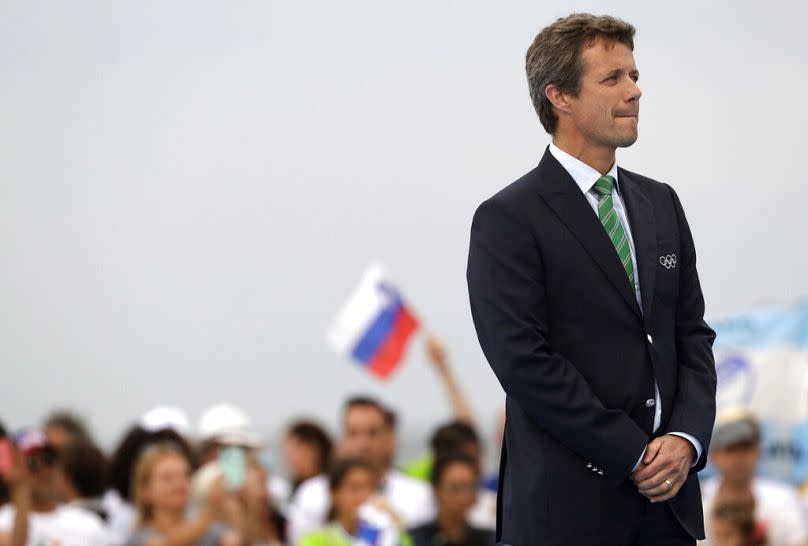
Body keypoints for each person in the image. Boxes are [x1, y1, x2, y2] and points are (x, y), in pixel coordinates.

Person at [466, 12, 717, 545]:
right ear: (560, 97)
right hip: (566, 516)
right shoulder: (508, 218)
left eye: (633, 75)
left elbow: (691, 335)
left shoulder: (661, 203)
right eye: (613, 79)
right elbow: (523, 362)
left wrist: (686, 438)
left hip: (668, 510)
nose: (635, 91)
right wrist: (631, 453)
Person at [287, 397, 434, 544]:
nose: (363, 443)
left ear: (389, 438)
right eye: (353, 433)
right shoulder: (312, 495)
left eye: (372, 433)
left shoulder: (419, 495)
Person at [700, 408, 808, 546]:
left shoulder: (782, 499)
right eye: (730, 449)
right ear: (714, 456)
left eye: (745, 448)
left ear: (758, 451)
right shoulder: (700, 503)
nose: (738, 458)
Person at [0, 429, 110, 546]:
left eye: (49, 460)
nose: (44, 470)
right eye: (33, 462)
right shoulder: (3, 521)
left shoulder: (89, 525)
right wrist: (20, 490)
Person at [126, 441, 245, 546]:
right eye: (167, 478)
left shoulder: (209, 531)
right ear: (145, 490)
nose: (179, 484)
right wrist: (210, 511)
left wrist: (236, 502)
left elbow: (237, 540)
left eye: (185, 475)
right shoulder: (139, 537)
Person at [297, 458, 411, 546]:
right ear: (334, 494)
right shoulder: (316, 541)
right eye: (355, 488)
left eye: (371, 488)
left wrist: (391, 528)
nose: (364, 496)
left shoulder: (391, 533)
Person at [407, 453, 495, 546]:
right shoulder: (413, 539)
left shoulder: (489, 540)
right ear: (436, 489)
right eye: (455, 488)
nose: (463, 496)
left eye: (469, 487)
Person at [284, 421, 333, 498]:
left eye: (295, 451)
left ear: (315, 450)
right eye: (289, 452)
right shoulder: (292, 488)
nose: (291, 459)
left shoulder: (323, 489)